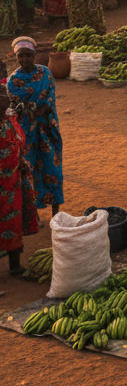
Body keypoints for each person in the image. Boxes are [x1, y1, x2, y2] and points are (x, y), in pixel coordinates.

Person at [7, 37, 63, 217]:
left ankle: (56, 212)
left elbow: (50, 96)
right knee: (29, 172)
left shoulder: (45, 72)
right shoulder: (14, 81)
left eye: (28, 55)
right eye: (20, 56)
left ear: (34, 55)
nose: (24, 60)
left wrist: (42, 108)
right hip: (27, 134)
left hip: (47, 130)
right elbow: (13, 107)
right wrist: (29, 110)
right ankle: (34, 215)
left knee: (52, 168)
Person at [0, 82, 39, 276]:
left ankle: (14, 265)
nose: (2, 99)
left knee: (13, 222)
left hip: (14, 182)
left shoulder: (10, 118)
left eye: (3, 95)